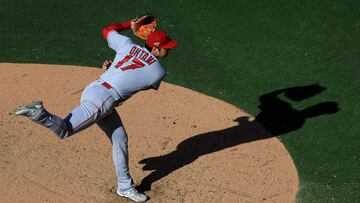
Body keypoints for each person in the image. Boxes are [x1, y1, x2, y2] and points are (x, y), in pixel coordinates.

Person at [11, 18, 178, 202]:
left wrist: (128, 25)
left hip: (94, 89)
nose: (169, 49)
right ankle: (39, 114)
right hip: (104, 100)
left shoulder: (127, 44)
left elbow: (107, 30)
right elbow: (143, 85)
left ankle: (125, 186)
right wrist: (115, 70)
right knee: (65, 130)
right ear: (155, 49)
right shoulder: (158, 71)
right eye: (166, 47)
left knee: (120, 138)